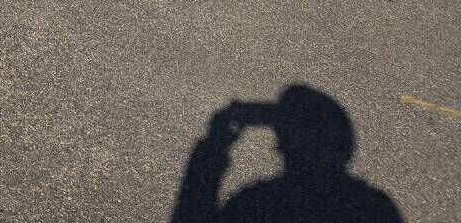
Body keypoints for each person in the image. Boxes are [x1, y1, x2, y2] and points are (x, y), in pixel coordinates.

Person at [172, 85, 402, 223]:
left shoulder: (258, 205)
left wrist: (213, 145)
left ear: (283, 146)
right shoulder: (376, 209)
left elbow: (190, 215)